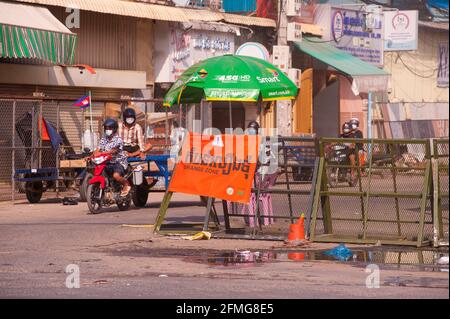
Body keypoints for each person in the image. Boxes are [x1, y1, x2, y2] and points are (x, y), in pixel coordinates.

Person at [93, 119, 131, 196]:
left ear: (114, 129)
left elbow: (114, 150)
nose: (107, 130)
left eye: (109, 128)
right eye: (106, 128)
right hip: (107, 162)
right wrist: (93, 155)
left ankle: (126, 184)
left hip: (118, 162)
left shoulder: (118, 139)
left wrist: (102, 153)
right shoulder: (103, 139)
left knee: (116, 176)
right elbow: (97, 150)